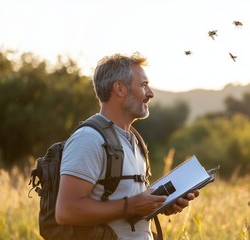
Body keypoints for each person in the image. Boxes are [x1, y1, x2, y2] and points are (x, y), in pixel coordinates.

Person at [55, 53, 199, 239]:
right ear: (120, 89)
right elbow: (66, 211)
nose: (150, 93)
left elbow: (128, 201)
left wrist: (162, 203)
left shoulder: (134, 140)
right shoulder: (88, 139)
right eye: (143, 85)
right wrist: (130, 206)